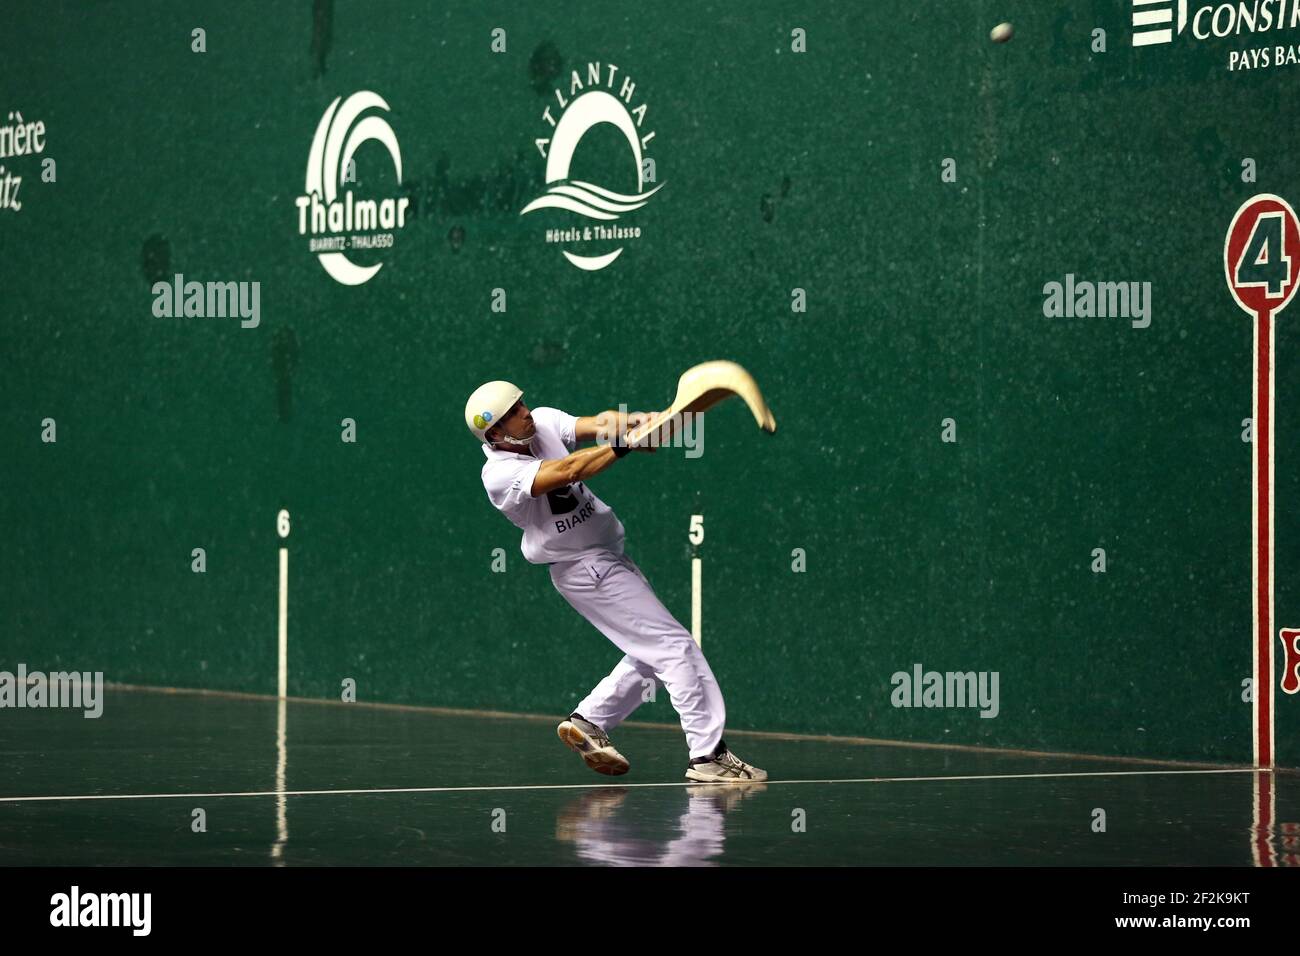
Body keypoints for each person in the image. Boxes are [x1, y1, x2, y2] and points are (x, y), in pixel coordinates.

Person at [465, 380, 766, 783]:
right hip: (585, 568)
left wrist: (638, 421)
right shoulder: (499, 475)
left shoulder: (543, 423)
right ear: (497, 434)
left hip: (605, 558)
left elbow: (600, 423)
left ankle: (589, 720)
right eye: (514, 413)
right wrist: (626, 444)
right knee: (675, 647)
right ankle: (707, 755)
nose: (526, 412)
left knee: (650, 650)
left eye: (522, 403)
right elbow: (571, 468)